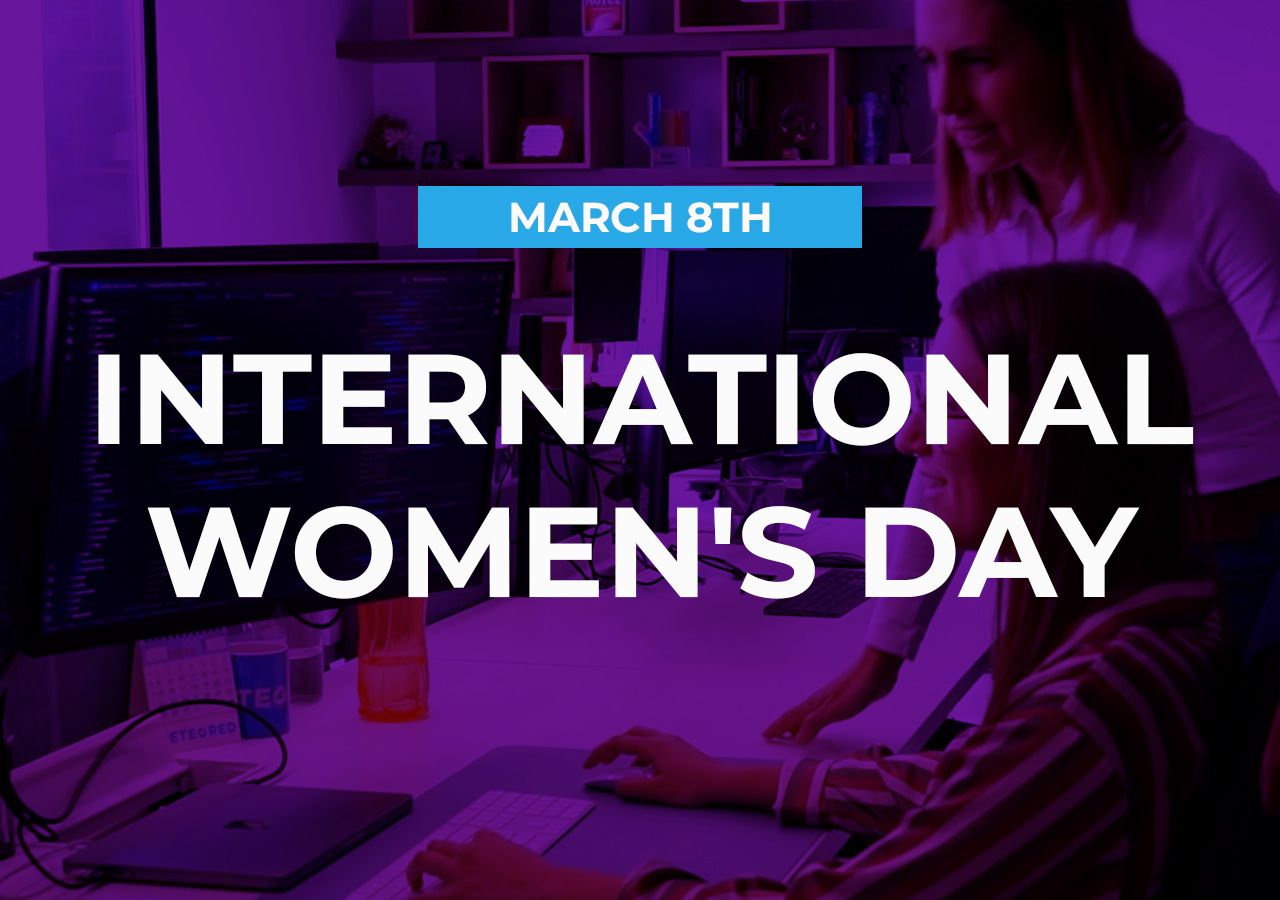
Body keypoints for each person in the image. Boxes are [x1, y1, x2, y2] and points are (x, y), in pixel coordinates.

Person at [405, 263, 1223, 898]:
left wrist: (551, 889)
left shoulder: (1082, 709)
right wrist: (730, 778)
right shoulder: (1146, 630)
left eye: (954, 404)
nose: (912, 439)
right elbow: (969, 786)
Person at [764, 0, 1280, 801]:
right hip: (1066, 564)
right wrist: (884, 650)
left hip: (1228, 561)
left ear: (1073, 57)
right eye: (930, 64)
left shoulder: (1208, 185)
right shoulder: (981, 220)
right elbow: (948, 437)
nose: (944, 102)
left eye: (978, 62)